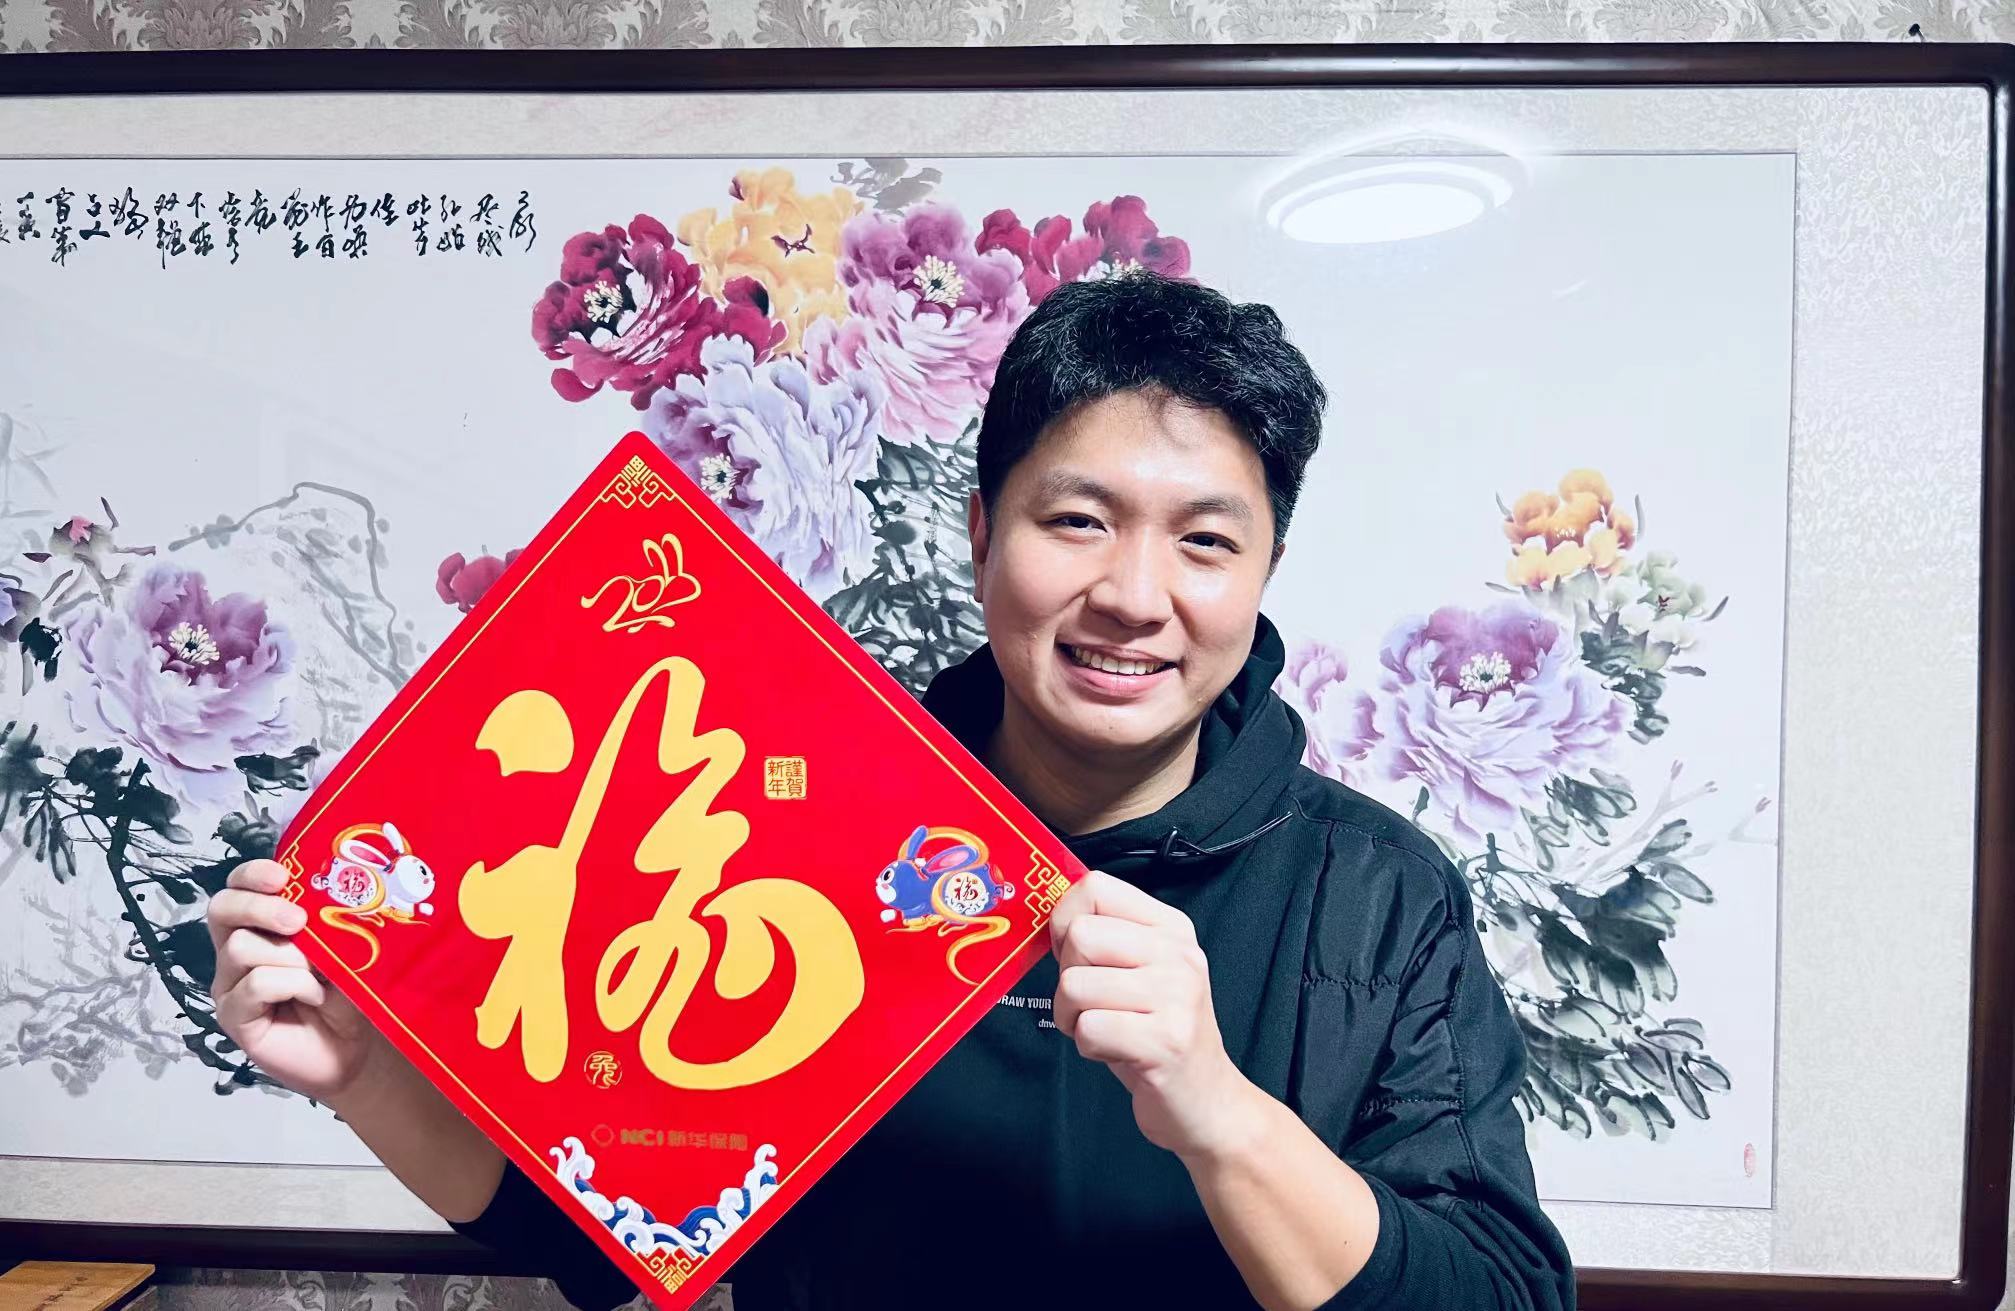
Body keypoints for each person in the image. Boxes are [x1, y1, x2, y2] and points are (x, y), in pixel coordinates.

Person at [209, 273, 1575, 1310]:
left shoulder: (1373, 895)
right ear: (982, 532)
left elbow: (1501, 1296)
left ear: (1265, 571)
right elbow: (606, 1235)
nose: (1133, 595)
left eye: (1205, 542)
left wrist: (1218, 1112)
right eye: (1077, 520)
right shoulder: (787, 825)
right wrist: (368, 1076)